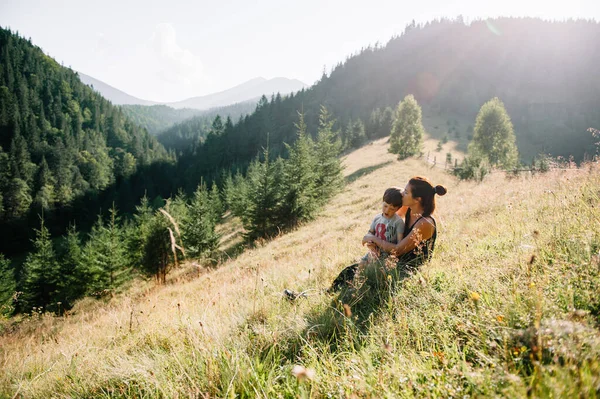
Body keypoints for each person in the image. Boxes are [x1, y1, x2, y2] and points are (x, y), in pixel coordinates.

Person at [329, 176, 446, 292]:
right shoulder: (409, 209)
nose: (402, 195)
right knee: (351, 270)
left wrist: (373, 238)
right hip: (393, 259)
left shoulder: (425, 223)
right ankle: (330, 292)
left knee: (368, 274)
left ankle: (350, 292)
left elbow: (397, 250)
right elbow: (387, 220)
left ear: (417, 199)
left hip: (408, 268)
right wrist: (372, 242)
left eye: (406, 192)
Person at [358, 187, 404, 270]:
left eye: (392, 209)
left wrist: (393, 257)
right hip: (374, 251)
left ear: (398, 209)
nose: (387, 210)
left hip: (388, 255)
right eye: (385, 206)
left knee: (375, 269)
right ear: (382, 202)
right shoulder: (377, 218)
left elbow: (399, 244)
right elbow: (370, 233)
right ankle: (357, 281)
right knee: (362, 264)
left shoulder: (398, 222)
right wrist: (371, 245)